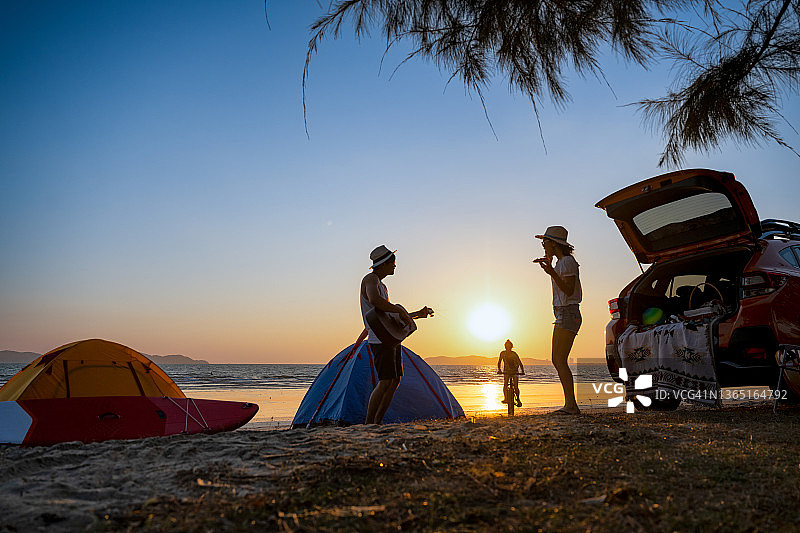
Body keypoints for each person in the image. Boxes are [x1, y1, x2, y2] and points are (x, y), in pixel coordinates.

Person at [361, 245, 433, 424]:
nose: (395, 266)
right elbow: (374, 300)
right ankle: (369, 424)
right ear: (384, 264)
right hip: (379, 339)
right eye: (393, 262)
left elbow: (390, 316)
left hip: (389, 338)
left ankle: (377, 422)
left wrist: (417, 314)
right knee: (385, 381)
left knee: (394, 381)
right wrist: (400, 312)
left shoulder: (383, 285)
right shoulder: (371, 279)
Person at [534, 226, 582, 415]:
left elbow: (569, 290)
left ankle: (571, 406)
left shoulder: (568, 262)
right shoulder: (562, 262)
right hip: (564, 313)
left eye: (545, 242)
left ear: (554, 243)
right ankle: (570, 405)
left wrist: (551, 272)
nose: (543, 244)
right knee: (558, 359)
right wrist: (550, 265)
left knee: (559, 360)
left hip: (568, 313)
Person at [497, 339, 524, 407]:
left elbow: (519, 362)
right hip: (506, 371)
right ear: (505, 346)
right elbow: (499, 362)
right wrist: (499, 369)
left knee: (516, 386)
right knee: (505, 384)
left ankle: (518, 399)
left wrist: (522, 371)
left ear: (511, 346)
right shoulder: (502, 353)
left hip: (515, 371)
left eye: (509, 346)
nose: (508, 347)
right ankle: (506, 398)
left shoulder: (514, 354)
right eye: (506, 346)